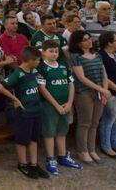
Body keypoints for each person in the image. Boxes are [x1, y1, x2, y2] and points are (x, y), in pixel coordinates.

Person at [0, 47, 50, 179]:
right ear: (30, 60)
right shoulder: (18, 73)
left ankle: (34, 164)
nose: (39, 62)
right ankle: (22, 164)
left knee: (34, 138)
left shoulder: (34, 70)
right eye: (37, 60)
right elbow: (0, 87)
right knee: (22, 139)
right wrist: (15, 99)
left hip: (36, 110)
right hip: (24, 112)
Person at [36, 40, 82, 175]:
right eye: (51, 51)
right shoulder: (42, 67)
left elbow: (71, 84)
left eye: (56, 51)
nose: (54, 54)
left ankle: (62, 156)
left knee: (62, 131)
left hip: (65, 105)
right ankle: (51, 158)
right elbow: (42, 88)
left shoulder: (63, 65)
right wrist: (56, 105)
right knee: (50, 132)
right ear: (43, 52)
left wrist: (69, 103)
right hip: (50, 106)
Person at [69, 30, 110, 164]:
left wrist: (104, 91)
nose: (89, 41)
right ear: (78, 43)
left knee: (95, 123)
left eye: (89, 38)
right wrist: (102, 89)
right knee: (84, 123)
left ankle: (92, 149)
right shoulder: (76, 57)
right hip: (84, 93)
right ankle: (83, 151)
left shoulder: (97, 54)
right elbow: (81, 78)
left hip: (99, 91)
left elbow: (104, 74)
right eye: (85, 39)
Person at [98, 31, 116, 157]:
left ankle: (115, 143)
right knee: (109, 118)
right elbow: (104, 77)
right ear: (109, 43)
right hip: (110, 92)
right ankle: (106, 146)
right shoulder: (101, 56)